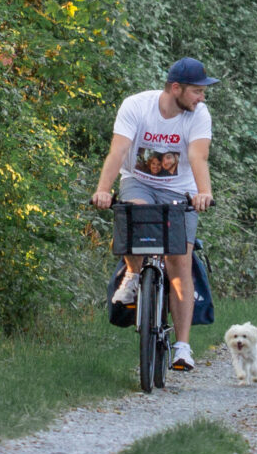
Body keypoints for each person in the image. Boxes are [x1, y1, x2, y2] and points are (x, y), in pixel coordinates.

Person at [91, 57, 217, 371]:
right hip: (139, 182)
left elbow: (198, 157)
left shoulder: (198, 115)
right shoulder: (136, 107)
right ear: (176, 88)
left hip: (180, 189)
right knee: (134, 216)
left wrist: (204, 193)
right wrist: (103, 189)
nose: (201, 98)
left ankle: (183, 347)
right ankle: (133, 275)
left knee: (179, 262)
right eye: (196, 91)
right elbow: (118, 150)